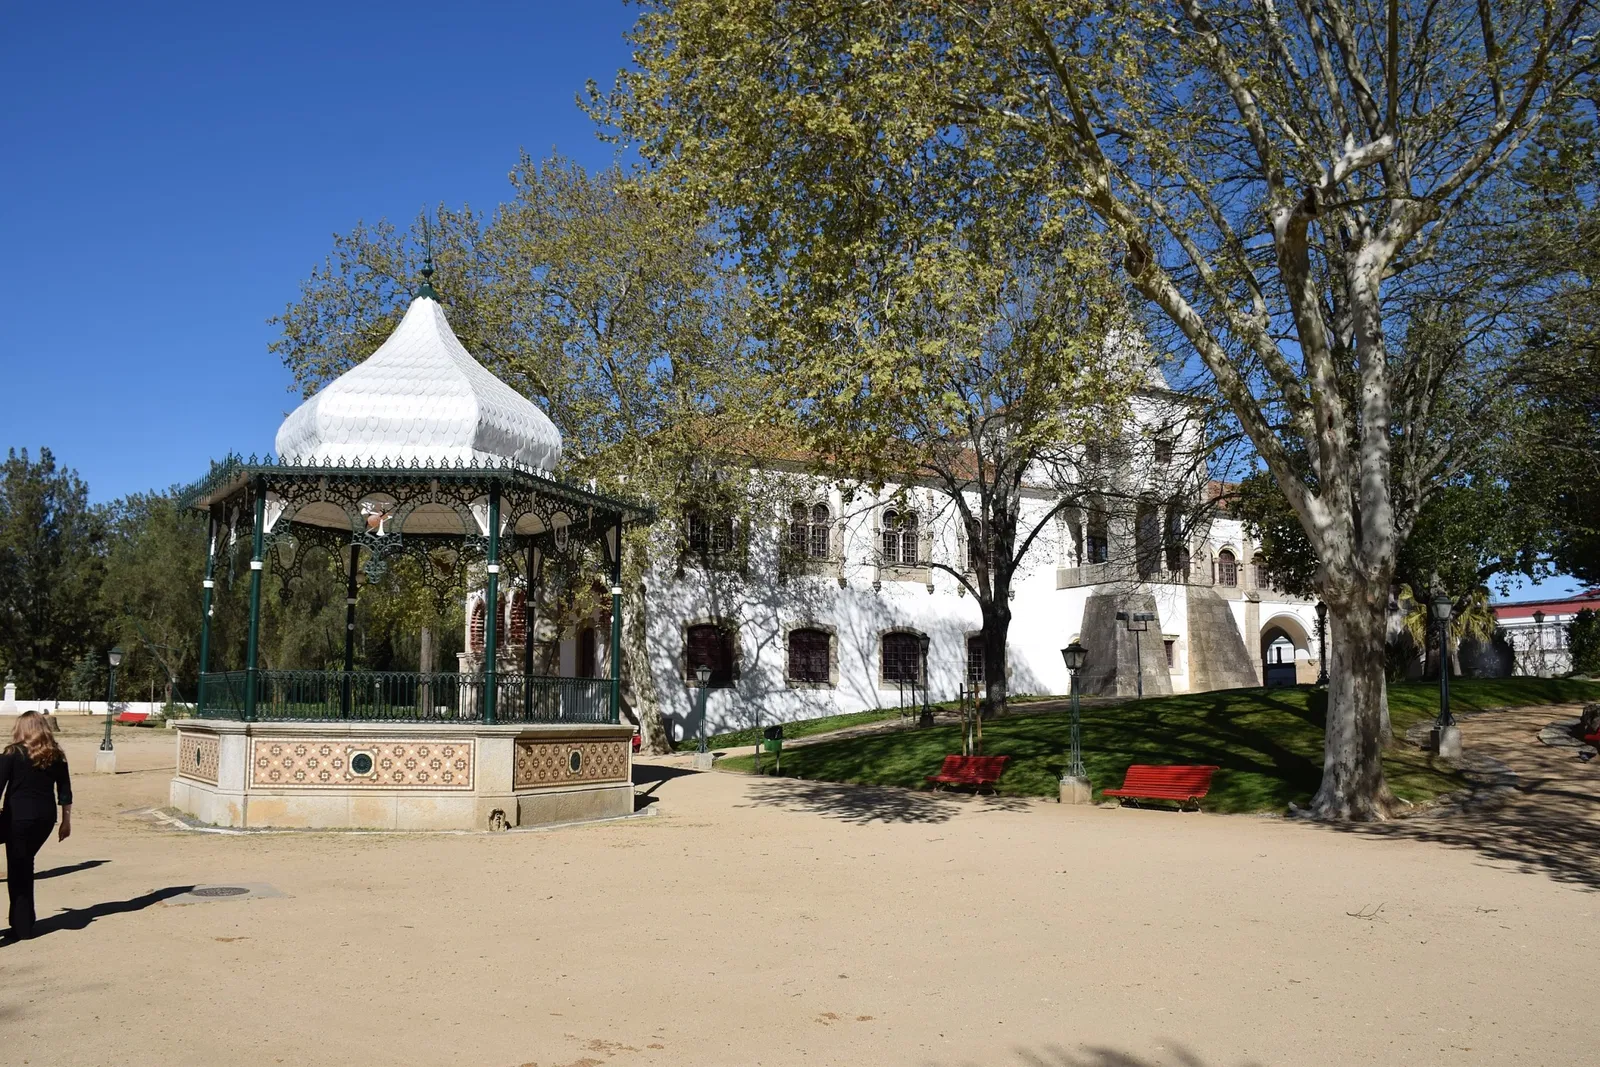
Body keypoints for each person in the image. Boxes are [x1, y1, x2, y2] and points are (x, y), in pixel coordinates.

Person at [1, 710, 73, 941]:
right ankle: (23, 924)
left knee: (18, 870)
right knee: (25, 865)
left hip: (18, 818)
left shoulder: (12, 753)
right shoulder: (56, 755)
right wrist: (66, 822)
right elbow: (64, 792)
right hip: (45, 819)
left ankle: (22, 926)